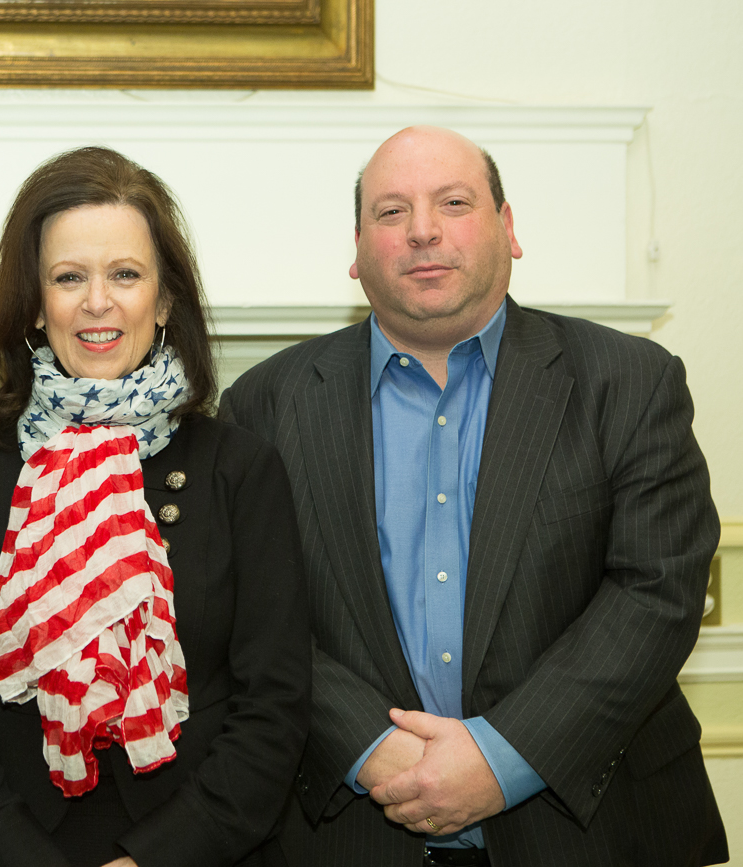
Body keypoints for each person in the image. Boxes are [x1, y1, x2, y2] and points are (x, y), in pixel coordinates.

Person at [221, 126, 728, 866]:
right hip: (343, 832)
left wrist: (502, 757)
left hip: (598, 832)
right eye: (391, 212)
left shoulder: (630, 381)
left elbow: (656, 593)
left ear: (509, 227)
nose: (423, 230)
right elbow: (250, 611)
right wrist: (368, 744)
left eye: (453, 202)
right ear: (357, 250)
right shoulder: (264, 405)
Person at [0, 146, 312, 867]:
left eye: (126, 274)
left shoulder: (241, 468)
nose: (98, 301)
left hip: (202, 851)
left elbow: (273, 705)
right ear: (34, 303)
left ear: (165, 298)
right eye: (68, 278)